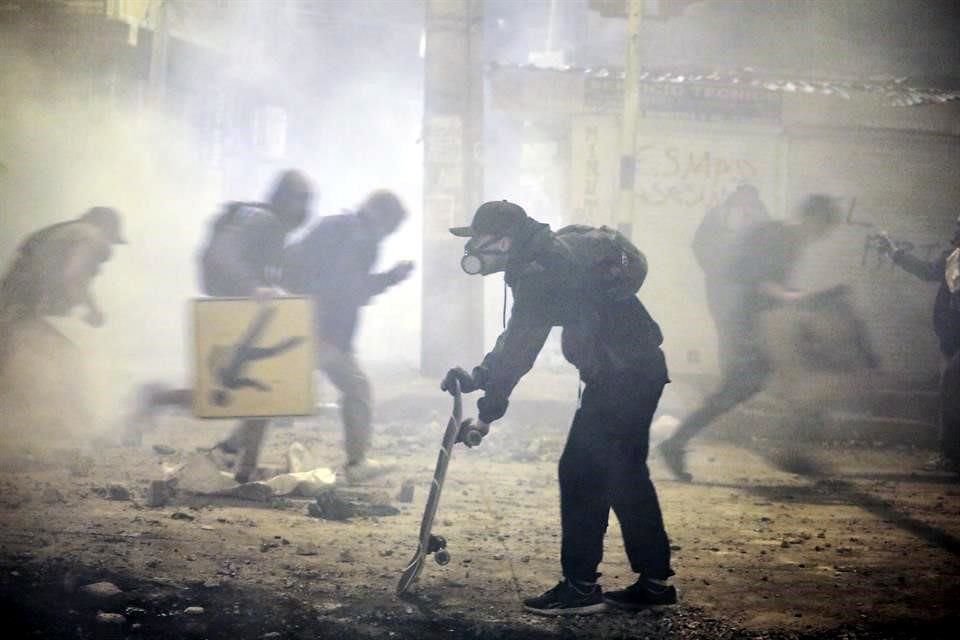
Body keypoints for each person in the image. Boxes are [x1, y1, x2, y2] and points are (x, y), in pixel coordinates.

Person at [441, 200, 676, 615]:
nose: (474, 250)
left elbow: (519, 347)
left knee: (582, 471)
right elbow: (518, 341)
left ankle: (581, 587)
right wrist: (481, 381)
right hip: (638, 371)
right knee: (624, 473)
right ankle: (654, 585)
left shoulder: (542, 270)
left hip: (620, 378)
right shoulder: (552, 253)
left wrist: (488, 404)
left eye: (478, 240)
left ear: (504, 239)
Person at [125, 169, 312, 484]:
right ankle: (239, 462)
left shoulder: (269, 225)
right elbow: (225, 251)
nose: (305, 208)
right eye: (301, 199)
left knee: (259, 391)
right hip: (236, 314)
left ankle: (243, 466)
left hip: (243, 312)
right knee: (237, 391)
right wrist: (251, 286)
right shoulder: (262, 220)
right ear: (284, 198)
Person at [658, 194, 842, 482]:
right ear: (813, 218)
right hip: (753, 328)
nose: (822, 235)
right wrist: (795, 298)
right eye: (823, 228)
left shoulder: (787, 240)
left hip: (764, 326)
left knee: (745, 390)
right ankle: (789, 452)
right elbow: (759, 281)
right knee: (763, 387)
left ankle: (678, 443)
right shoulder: (776, 236)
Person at [281, 190, 414, 483]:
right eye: (392, 228)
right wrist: (390, 278)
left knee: (274, 393)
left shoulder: (333, 225)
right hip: (326, 331)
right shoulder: (362, 239)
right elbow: (348, 290)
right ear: (384, 220)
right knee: (357, 389)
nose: (388, 235)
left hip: (297, 319)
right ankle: (357, 463)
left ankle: (231, 450)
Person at [877, 216, 960, 473]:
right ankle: (949, 454)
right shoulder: (953, 256)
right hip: (951, 340)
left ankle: (949, 455)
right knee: (949, 394)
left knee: (950, 391)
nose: (955, 230)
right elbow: (927, 271)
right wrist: (894, 252)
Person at [0, 206, 126, 372]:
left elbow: (78, 280)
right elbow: (73, 276)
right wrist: (86, 312)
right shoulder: (92, 236)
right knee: (67, 361)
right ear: (106, 229)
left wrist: (92, 307)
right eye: (111, 239)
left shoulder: (67, 231)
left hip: (11, 309)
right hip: (17, 314)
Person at [692, 184, 771, 376]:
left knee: (750, 333)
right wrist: (715, 269)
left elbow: (771, 251)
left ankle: (745, 380)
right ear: (735, 197)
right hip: (722, 288)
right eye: (742, 197)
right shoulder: (717, 216)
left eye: (751, 199)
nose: (746, 203)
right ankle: (728, 375)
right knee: (726, 331)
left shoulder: (764, 220)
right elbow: (700, 245)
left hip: (751, 289)